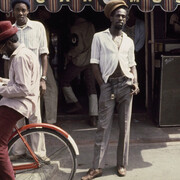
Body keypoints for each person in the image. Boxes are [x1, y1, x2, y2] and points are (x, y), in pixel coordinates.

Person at [81, 0, 140, 179]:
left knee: (125, 127)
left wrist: (135, 82)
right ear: (111, 17)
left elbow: (132, 65)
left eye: (124, 16)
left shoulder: (128, 41)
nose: (121, 18)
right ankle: (97, 167)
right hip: (108, 86)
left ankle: (121, 164)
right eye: (118, 15)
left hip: (126, 85)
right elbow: (94, 63)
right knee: (103, 127)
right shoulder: (99, 37)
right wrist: (102, 85)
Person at [3, 0, 49, 161]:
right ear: (13, 12)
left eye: (23, 10)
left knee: (35, 117)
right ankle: (19, 151)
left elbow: (44, 54)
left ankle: (39, 153)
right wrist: (8, 83)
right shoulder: (11, 31)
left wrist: (43, 79)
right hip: (16, 80)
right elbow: (6, 60)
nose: (21, 13)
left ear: (29, 11)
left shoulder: (38, 27)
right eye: (17, 10)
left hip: (33, 80)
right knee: (18, 117)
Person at [0, 20, 39, 180]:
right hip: (17, 103)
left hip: (17, 105)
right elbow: (19, 82)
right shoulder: (24, 53)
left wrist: (1, 89)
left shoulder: (20, 58)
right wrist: (3, 81)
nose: (1, 51)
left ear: (9, 43)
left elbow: (23, 89)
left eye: (0, 47)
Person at [60, 15, 98, 127]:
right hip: (91, 59)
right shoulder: (91, 26)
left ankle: (75, 103)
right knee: (92, 88)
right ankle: (94, 116)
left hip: (79, 61)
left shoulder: (75, 28)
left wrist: (70, 55)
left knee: (64, 80)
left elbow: (78, 47)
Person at [124, 7, 145, 109]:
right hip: (123, 54)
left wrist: (134, 51)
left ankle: (137, 99)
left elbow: (142, 39)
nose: (128, 14)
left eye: (130, 12)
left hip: (136, 53)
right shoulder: (123, 23)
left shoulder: (141, 24)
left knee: (136, 73)